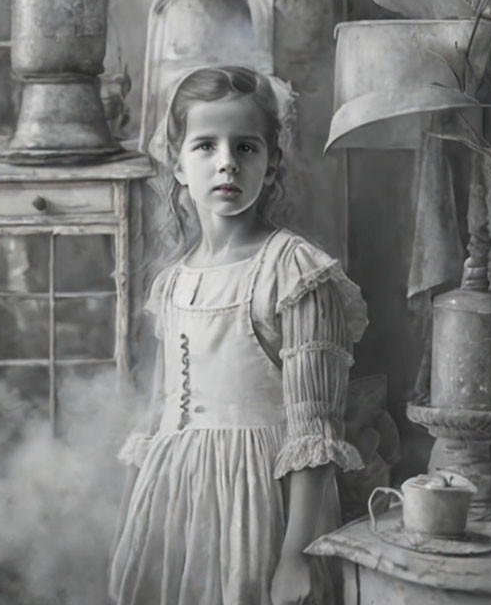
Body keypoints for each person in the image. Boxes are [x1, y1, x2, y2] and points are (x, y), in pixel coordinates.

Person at [109, 66, 367, 605]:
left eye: (246, 147)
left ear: (272, 164)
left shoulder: (294, 272)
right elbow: (158, 415)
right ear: (177, 163)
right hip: (175, 500)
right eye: (205, 145)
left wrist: (295, 555)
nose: (226, 161)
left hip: (258, 501)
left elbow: (313, 432)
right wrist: (130, 523)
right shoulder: (173, 283)